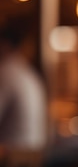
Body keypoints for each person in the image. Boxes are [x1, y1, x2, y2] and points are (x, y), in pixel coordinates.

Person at [0, 20, 46, 149]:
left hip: (10, 163)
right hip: (32, 159)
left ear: (4, 44)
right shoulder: (28, 72)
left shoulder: (5, 72)